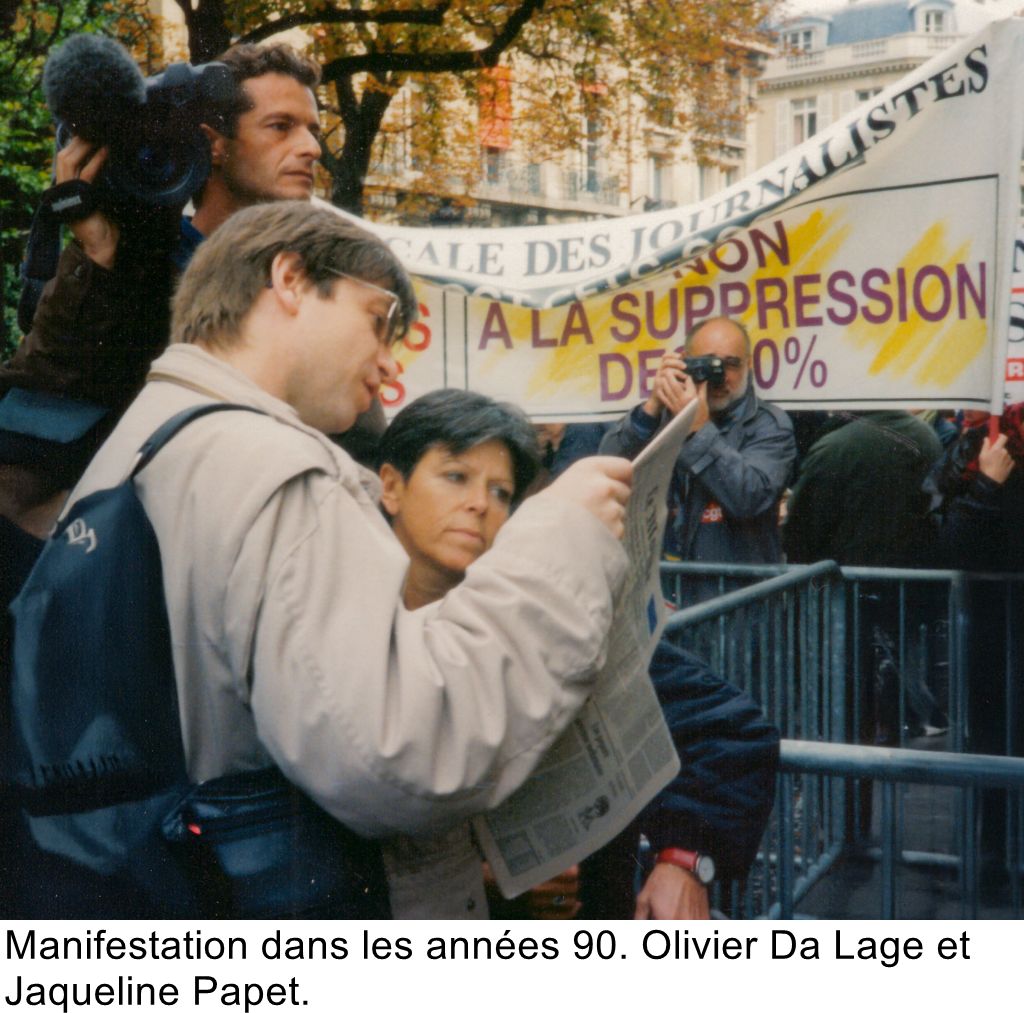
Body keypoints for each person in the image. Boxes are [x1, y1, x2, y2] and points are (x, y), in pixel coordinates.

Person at [60, 199, 634, 917]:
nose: (390, 360)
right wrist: (564, 537)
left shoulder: (139, 441)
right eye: (377, 318)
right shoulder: (277, 467)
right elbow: (399, 752)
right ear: (291, 278)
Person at [378, 388, 779, 919]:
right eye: (455, 477)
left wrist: (684, 857)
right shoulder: (349, 631)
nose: (479, 503)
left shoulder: (549, 606)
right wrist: (465, 875)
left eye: (501, 491)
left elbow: (729, 728)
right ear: (391, 486)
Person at [0, 41, 381, 537]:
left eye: (312, 129)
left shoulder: (323, 289)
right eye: (281, 126)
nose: (312, 148)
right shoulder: (142, 270)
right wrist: (97, 254)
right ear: (214, 144)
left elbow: (367, 444)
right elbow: (46, 399)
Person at [599, 317, 795, 601]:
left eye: (732, 364)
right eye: (708, 364)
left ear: (749, 365)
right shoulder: (664, 416)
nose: (720, 377)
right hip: (663, 600)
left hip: (734, 607)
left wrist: (698, 429)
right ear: (685, 362)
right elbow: (606, 466)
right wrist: (650, 409)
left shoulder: (768, 425)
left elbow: (750, 497)